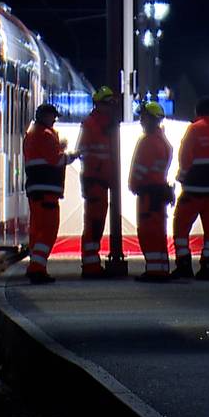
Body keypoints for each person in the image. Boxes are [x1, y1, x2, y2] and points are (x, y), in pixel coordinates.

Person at [171, 97, 209, 280]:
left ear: (197, 112)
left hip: (192, 191)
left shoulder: (193, 130)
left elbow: (185, 157)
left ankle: (184, 264)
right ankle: (206, 266)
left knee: (180, 227)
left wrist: (181, 178)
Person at [23, 103, 79, 284]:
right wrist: (74, 154)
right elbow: (58, 159)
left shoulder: (31, 135)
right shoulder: (46, 135)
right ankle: (37, 269)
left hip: (35, 191)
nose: (54, 120)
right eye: (52, 116)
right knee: (48, 230)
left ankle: (34, 265)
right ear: (45, 116)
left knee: (37, 230)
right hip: (47, 192)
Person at [128, 101, 174, 282]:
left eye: (143, 117)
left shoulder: (147, 142)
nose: (141, 120)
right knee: (158, 230)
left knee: (148, 231)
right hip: (159, 192)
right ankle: (161, 267)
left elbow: (140, 168)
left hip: (148, 193)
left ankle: (154, 270)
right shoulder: (163, 142)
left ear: (151, 119)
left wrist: (133, 184)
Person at [75, 86, 118, 278]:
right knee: (94, 222)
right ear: (98, 104)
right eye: (106, 104)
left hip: (102, 180)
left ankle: (92, 261)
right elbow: (83, 150)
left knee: (97, 222)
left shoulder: (105, 124)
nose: (109, 108)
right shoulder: (92, 124)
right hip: (95, 180)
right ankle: (90, 264)